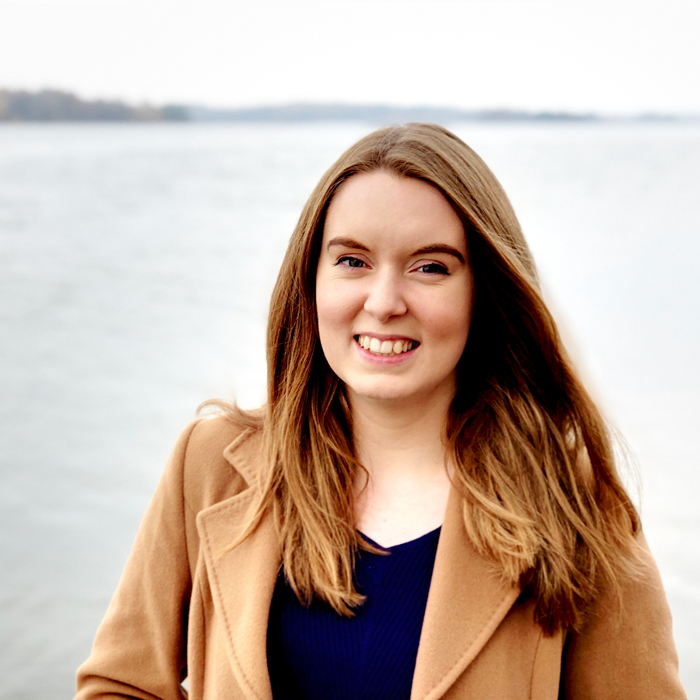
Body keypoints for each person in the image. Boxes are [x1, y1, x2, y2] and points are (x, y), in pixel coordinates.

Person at [75, 123, 686, 699]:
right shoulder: (209, 467)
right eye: (352, 261)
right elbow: (120, 687)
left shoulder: (574, 500)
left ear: (485, 291)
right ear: (310, 279)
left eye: (430, 267)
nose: (385, 301)